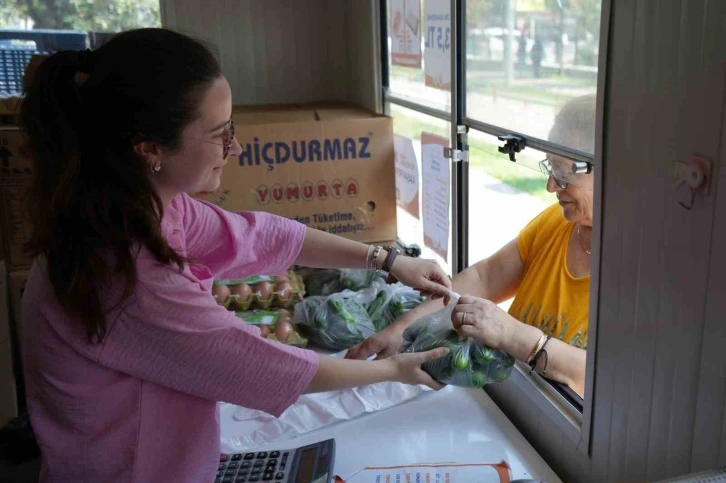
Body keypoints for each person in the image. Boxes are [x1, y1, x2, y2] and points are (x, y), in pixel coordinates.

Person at [18, 28, 453, 482]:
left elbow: (259, 235)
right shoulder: (128, 274)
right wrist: (392, 370)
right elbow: (262, 366)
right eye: (220, 135)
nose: (236, 148)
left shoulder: (140, 206)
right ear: (150, 148)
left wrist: (386, 260)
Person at [347, 94, 596, 398]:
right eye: (551, 169)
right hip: (504, 400)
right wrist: (404, 328)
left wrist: (513, 335)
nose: (551, 186)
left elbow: (608, 378)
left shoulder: (645, 277)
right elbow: (486, 278)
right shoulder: (556, 224)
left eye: (564, 173)